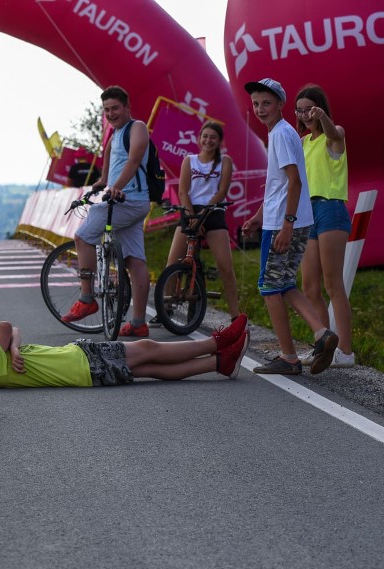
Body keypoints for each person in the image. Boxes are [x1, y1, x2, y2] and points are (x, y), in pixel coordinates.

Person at [240, 78, 338, 376]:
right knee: (283, 284)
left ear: (281, 105)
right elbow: (279, 186)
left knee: (269, 288)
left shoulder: (281, 135)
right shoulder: (283, 134)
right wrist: (259, 214)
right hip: (289, 219)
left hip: (285, 223)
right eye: (256, 104)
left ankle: (289, 357)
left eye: (266, 103)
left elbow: (294, 182)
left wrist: (286, 224)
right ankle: (322, 333)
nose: (260, 109)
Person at [0, 318, 250, 388]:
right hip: (80, 361)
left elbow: (13, 333)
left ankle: (219, 363)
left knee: (149, 367)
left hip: (81, 369)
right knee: (147, 349)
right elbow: (4, 326)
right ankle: (216, 343)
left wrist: (15, 346)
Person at [62, 86, 152, 337]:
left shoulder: (137, 128)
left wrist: (116, 188)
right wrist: (103, 181)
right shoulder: (115, 135)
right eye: (106, 110)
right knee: (134, 260)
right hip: (126, 201)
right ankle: (138, 323)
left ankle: (87, 297)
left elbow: (134, 160)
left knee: (82, 237)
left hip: (128, 200)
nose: (111, 113)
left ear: (127, 107)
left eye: (115, 108)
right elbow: (111, 162)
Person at [150, 121, 241, 327]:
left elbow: (222, 191)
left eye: (213, 137)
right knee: (172, 263)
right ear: (199, 138)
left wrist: (204, 214)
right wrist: (193, 217)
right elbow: (183, 192)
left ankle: (236, 315)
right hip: (190, 211)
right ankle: (166, 308)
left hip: (214, 212)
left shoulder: (224, 161)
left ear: (219, 141)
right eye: (205, 136)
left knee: (225, 266)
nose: (208, 140)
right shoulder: (189, 160)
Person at [294, 84, 354, 368]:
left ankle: (345, 351)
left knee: (333, 284)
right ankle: (323, 347)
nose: (306, 115)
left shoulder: (334, 134)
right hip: (308, 212)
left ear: (320, 109)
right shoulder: (302, 142)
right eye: (301, 110)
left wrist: (324, 118)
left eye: (310, 109)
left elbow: (333, 133)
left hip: (330, 208)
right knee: (309, 286)